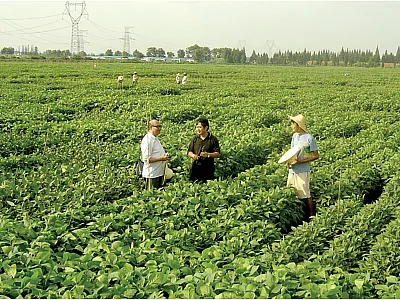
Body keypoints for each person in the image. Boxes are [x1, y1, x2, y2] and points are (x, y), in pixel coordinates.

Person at [286, 114, 319, 221]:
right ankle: (298, 215)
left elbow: (315, 156)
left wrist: (301, 161)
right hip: (293, 170)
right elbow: (291, 152)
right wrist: (288, 162)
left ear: (298, 125)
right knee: (292, 192)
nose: (291, 125)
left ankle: (311, 215)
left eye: (293, 123)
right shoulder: (294, 136)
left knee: (305, 193)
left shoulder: (309, 138)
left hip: (303, 170)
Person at [188, 117, 220, 183]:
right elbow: (189, 152)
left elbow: (217, 153)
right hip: (195, 168)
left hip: (208, 169)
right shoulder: (195, 138)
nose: (197, 129)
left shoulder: (213, 139)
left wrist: (208, 155)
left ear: (206, 128)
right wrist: (193, 156)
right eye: (197, 127)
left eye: (200, 127)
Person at [140, 119, 170, 190]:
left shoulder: (154, 138)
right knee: (151, 195)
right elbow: (147, 159)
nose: (159, 129)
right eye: (157, 127)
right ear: (150, 127)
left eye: (160, 126)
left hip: (158, 173)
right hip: (152, 174)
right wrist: (161, 158)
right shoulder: (147, 140)